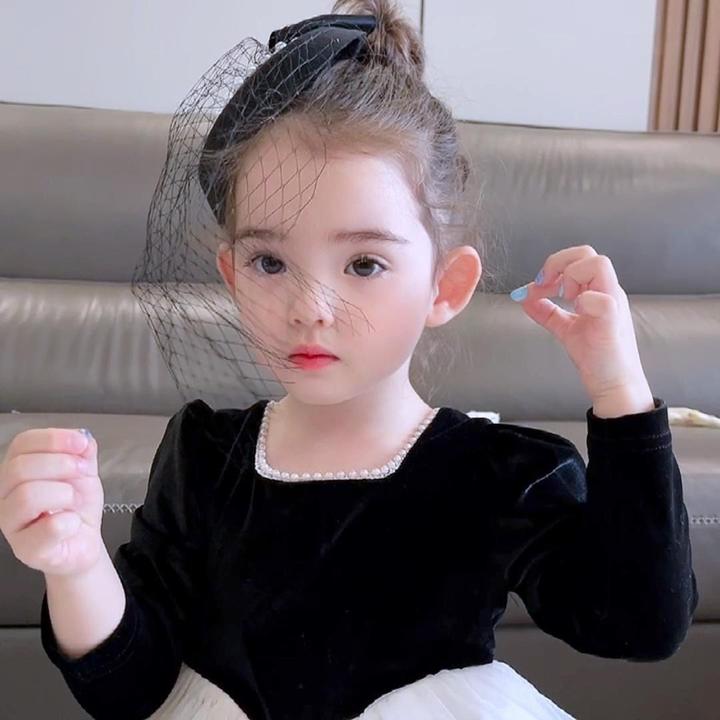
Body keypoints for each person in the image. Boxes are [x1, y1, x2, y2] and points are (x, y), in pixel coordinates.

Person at [0, 1, 698, 718]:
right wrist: (76, 565)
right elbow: (131, 689)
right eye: (270, 262)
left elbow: (640, 623)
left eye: (364, 264)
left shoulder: (493, 474)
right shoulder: (205, 457)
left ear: (444, 286)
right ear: (231, 274)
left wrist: (619, 387)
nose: (309, 307)